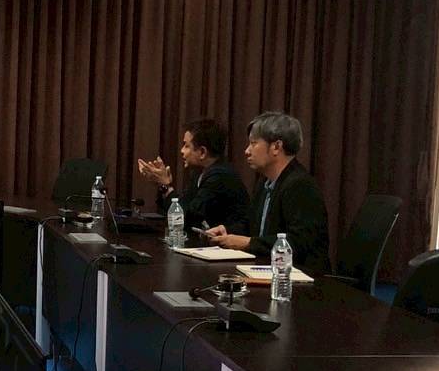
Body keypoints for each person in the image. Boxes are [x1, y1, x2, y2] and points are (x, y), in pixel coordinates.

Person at [203, 111, 331, 275]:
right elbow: (252, 226)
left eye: (253, 143)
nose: (247, 151)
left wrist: (248, 243)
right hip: (268, 270)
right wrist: (226, 231)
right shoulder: (265, 182)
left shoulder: (300, 185)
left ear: (276, 147)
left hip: (301, 277)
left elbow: (298, 243)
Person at [136, 118, 250, 232]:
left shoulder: (220, 176)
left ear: (202, 152)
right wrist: (161, 184)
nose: (181, 151)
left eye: (186, 146)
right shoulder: (200, 173)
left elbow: (187, 218)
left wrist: (166, 187)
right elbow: (182, 207)